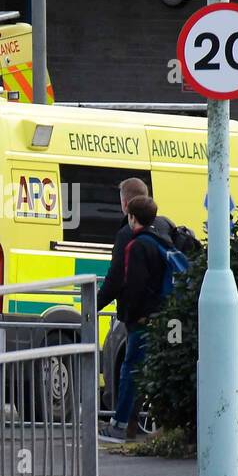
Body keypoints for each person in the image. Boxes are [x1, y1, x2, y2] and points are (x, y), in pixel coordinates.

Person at [99, 195, 174, 444]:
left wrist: (130, 315)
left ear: (132, 217)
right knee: (153, 372)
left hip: (142, 321)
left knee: (130, 372)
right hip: (161, 317)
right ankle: (150, 425)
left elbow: (133, 286)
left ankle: (119, 427)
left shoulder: (136, 245)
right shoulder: (161, 241)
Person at [96, 178, 173, 314]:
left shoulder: (127, 234)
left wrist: (94, 306)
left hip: (141, 314)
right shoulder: (165, 224)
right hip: (165, 310)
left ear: (125, 204)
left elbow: (116, 278)